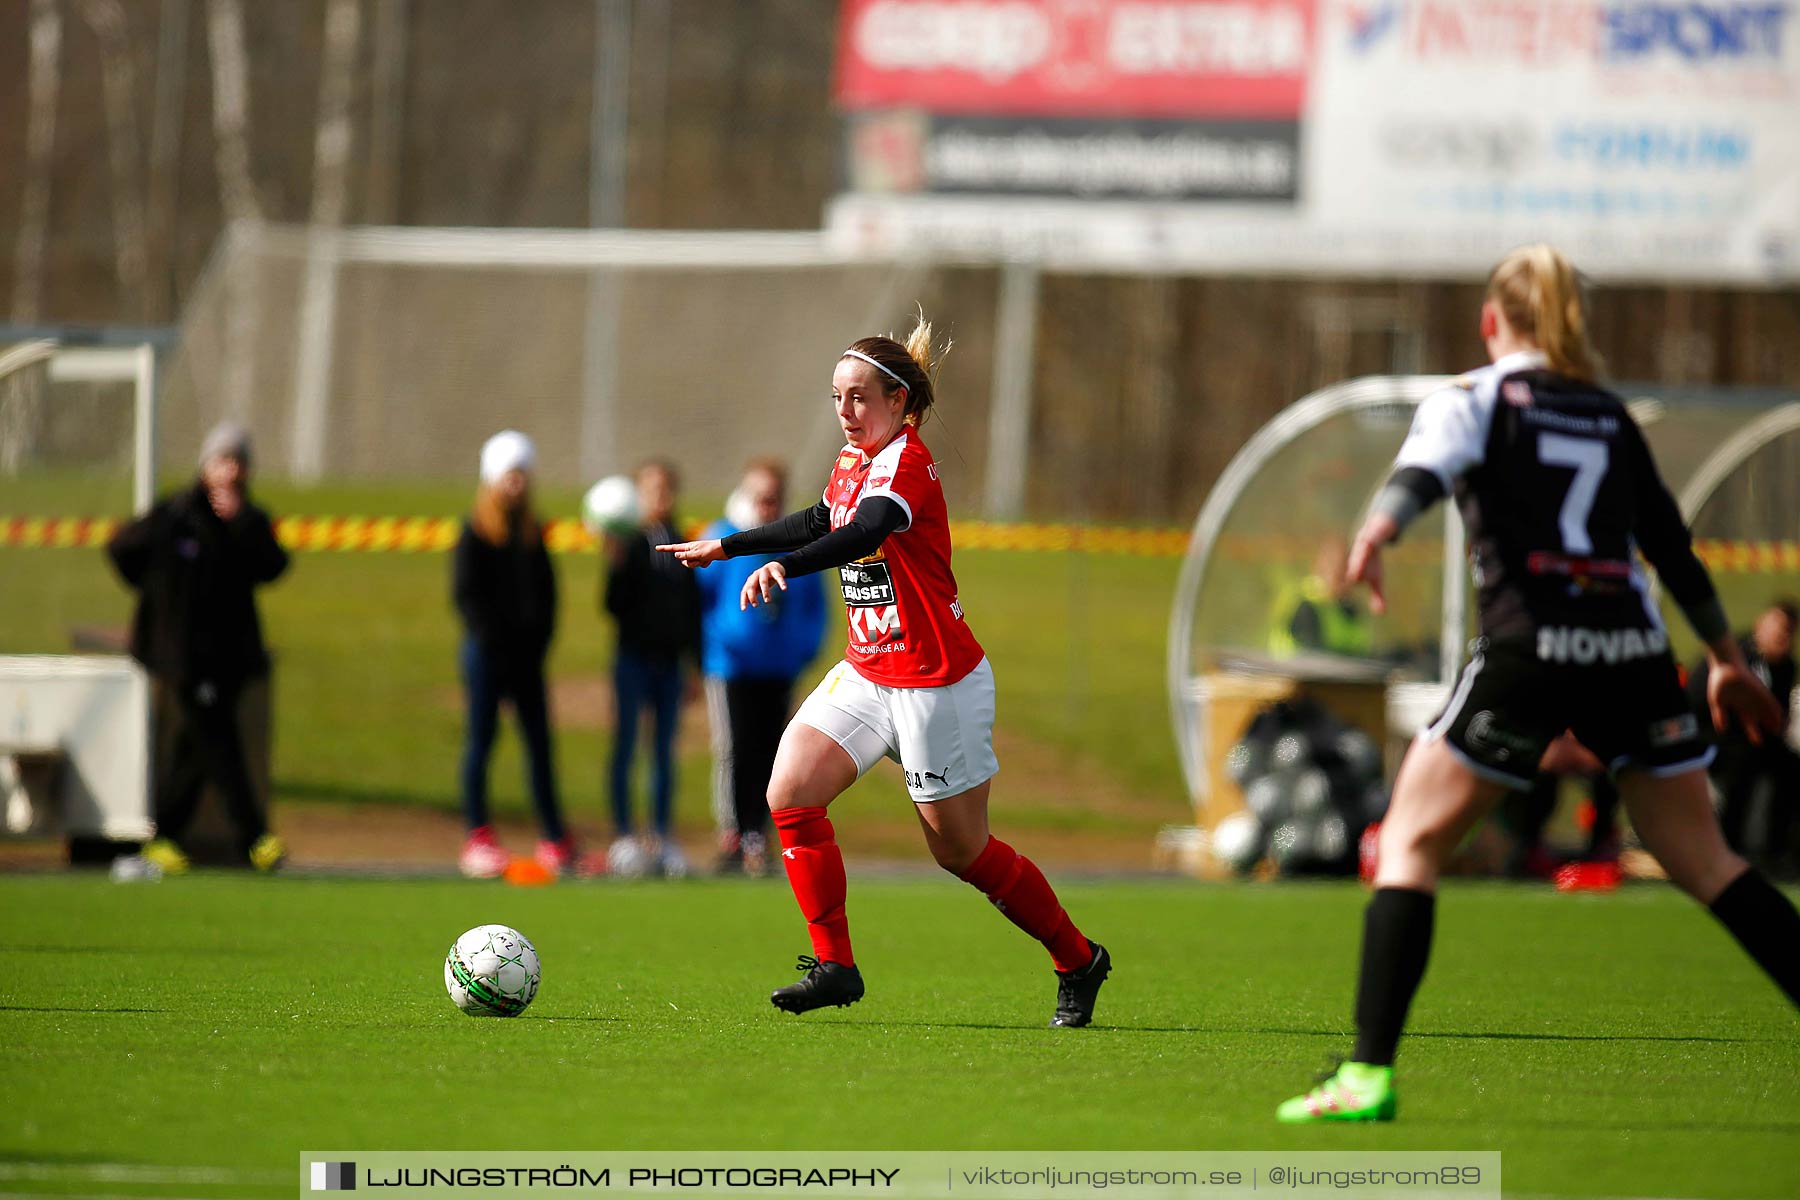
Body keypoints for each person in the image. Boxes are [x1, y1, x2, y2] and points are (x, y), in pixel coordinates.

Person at [1278, 245, 1800, 1122]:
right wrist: (1725, 659)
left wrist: (1377, 531)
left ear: (1491, 323)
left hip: (1534, 645)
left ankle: (1367, 1075)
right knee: (1708, 863)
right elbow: (1671, 548)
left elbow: (1421, 476)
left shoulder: (1476, 398)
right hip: (1633, 648)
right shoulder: (1608, 414)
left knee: (1408, 840)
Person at [657, 316, 1112, 1025]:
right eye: (837, 398)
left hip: (936, 684)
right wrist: (732, 547)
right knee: (790, 792)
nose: (846, 412)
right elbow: (820, 518)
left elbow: (862, 531)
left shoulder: (905, 462)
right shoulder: (853, 458)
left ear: (900, 402)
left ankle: (1078, 959)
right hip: (869, 674)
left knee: (961, 852)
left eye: (861, 398)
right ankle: (835, 965)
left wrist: (783, 565)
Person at [107, 422, 289, 873]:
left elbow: (273, 566)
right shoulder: (177, 512)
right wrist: (154, 597)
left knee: (198, 743)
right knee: (218, 738)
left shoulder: (250, 519)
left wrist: (241, 522)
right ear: (205, 466)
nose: (229, 471)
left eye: (238, 462)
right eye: (221, 461)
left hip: (228, 653)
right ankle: (253, 838)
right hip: (183, 652)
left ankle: (164, 838)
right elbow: (122, 549)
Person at [697, 460, 828, 874]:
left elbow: (814, 605)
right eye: (761, 496)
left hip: (779, 667)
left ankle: (758, 836)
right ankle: (732, 833)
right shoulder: (723, 536)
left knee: (772, 752)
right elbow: (701, 599)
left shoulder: (795, 540)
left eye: (774, 497)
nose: (767, 506)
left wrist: (801, 649)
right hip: (732, 667)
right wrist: (718, 642)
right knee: (734, 750)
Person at [452, 430, 573, 878]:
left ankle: (554, 836)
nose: (517, 484)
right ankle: (477, 835)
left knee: (540, 746)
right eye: (510, 475)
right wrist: (496, 644)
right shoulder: (475, 531)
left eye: (523, 475)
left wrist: (537, 644)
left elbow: (547, 595)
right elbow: (467, 599)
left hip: (527, 659)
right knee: (481, 743)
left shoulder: (531, 532)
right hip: (487, 656)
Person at [604, 459, 703, 875]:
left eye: (665, 488)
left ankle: (661, 835)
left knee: (663, 751)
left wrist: (694, 665)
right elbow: (612, 605)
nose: (659, 497)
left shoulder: (682, 540)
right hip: (633, 660)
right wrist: (615, 564)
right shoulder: (628, 541)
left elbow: (691, 610)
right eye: (651, 489)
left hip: (669, 664)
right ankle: (625, 835)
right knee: (627, 746)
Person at [1689, 600, 1799, 876]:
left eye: (1787, 633)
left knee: (1789, 768)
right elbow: (1701, 702)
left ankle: (1778, 851)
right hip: (1717, 738)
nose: (1780, 638)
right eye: (1777, 629)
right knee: (1740, 768)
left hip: (1758, 743)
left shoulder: (1785, 667)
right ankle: (1729, 850)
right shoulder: (1735, 656)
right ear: (1761, 625)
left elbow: (1777, 716)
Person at [1268, 536, 1374, 659]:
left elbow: (1358, 651)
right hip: (1293, 676)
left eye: (1351, 573)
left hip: (1339, 676)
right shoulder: (1305, 604)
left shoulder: (1348, 609)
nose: (1347, 580)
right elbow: (1314, 656)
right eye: (1339, 572)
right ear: (1319, 567)